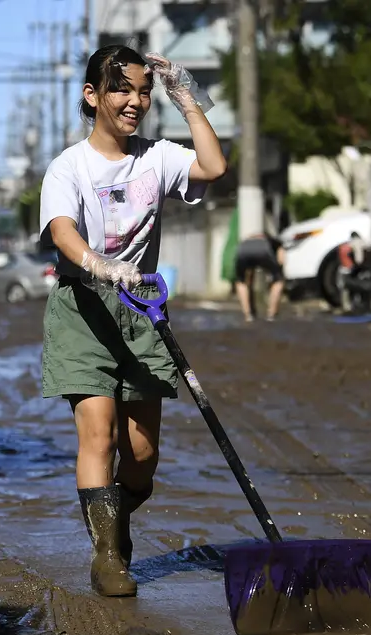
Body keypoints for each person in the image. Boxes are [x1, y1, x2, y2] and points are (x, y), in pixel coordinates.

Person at [38, 45, 226, 597]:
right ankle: (108, 558)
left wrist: (186, 95)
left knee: (141, 456)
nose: (135, 102)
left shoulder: (157, 156)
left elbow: (213, 166)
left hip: (142, 309)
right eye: (122, 89)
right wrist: (101, 265)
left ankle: (115, 523)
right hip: (84, 306)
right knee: (98, 434)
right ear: (92, 96)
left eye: (143, 92)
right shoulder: (68, 166)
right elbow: (62, 231)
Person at [232, 230, 286, 322]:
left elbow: (250, 273)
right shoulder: (273, 240)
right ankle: (271, 314)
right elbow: (281, 259)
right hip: (263, 249)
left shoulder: (247, 239)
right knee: (278, 281)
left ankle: (248, 315)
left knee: (241, 281)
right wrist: (278, 271)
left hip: (243, 249)